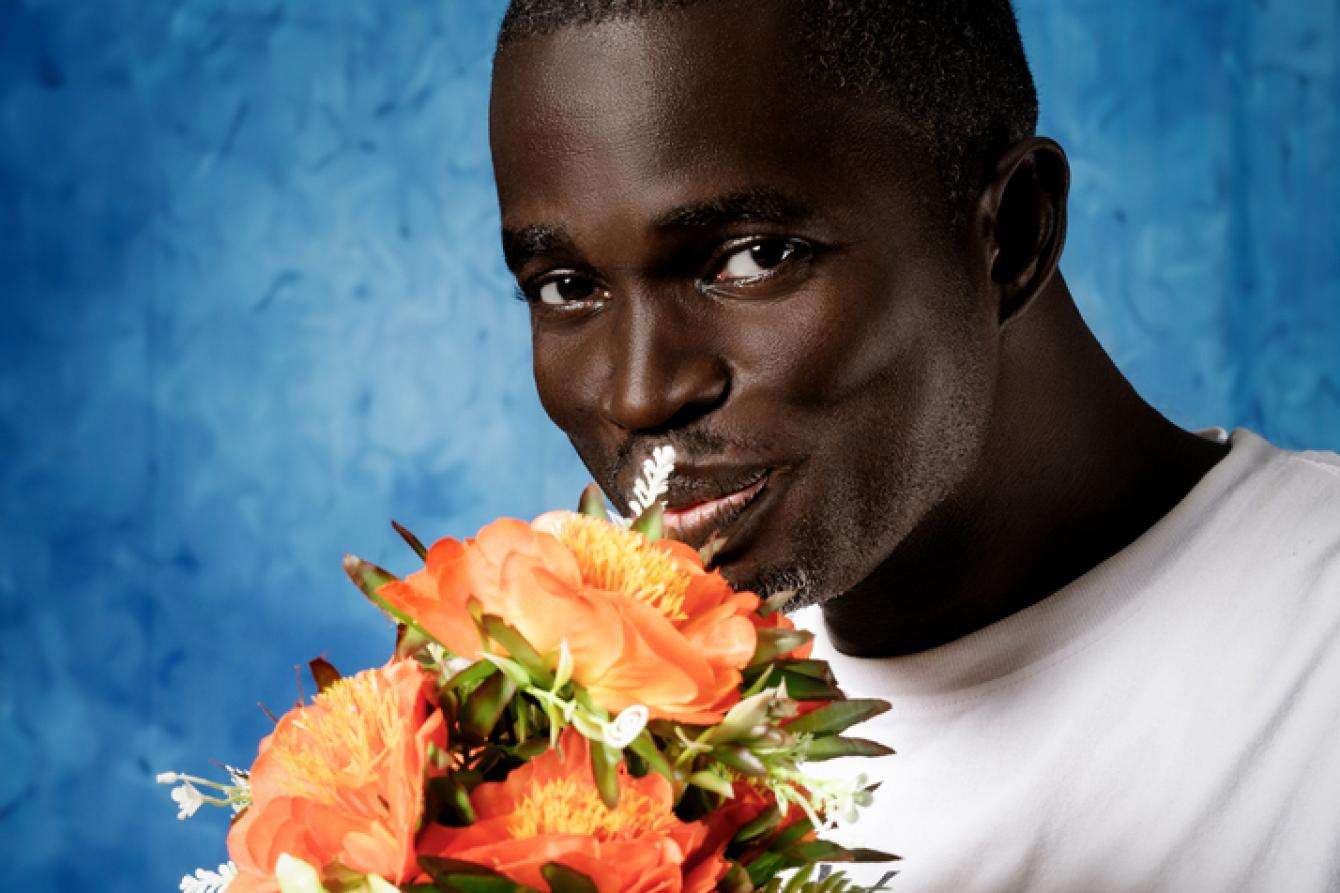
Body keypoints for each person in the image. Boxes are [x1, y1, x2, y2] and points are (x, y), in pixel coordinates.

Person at [486, 1, 1340, 889]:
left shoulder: (1317, 652)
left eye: (754, 257)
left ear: (1012, 231)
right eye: (566, 286)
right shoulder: (586, 725)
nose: (638, 393)